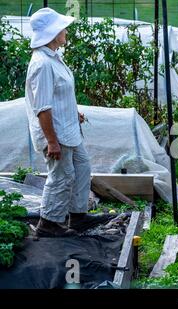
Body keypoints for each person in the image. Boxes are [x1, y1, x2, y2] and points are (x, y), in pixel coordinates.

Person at [25, 8, 100, 237]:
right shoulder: (42, 64)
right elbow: (42, 108)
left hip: (67, 128)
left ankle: (77, 217)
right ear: (53, 33)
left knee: (82, 166)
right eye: (62, 29)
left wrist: (72, 112)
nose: (66, 31)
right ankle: (48, 223)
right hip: (55, 133)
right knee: (62, 174)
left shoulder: (54, 58)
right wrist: (51, 141)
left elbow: (59, 95)